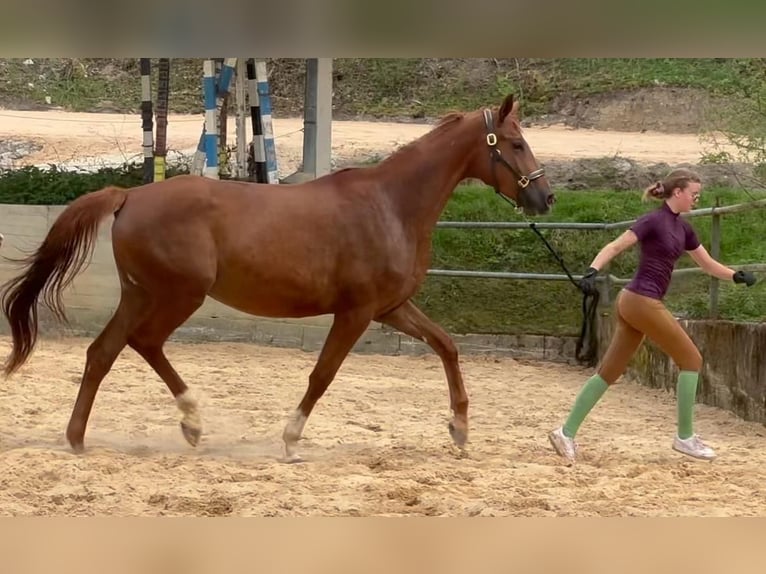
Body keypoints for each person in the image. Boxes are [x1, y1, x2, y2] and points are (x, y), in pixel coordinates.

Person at [548, 168, 757, 463]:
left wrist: (735, 276)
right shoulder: (653, 221)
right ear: (678, 193)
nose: (696, 199)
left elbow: (707, 264)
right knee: (692, 359)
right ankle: (685, 438)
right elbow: (616, 245)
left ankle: (565, 433)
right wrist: (592, 271)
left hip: (636, 302)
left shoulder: (684, 229)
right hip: (640, 300)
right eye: (693, 194)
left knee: (609, 371)